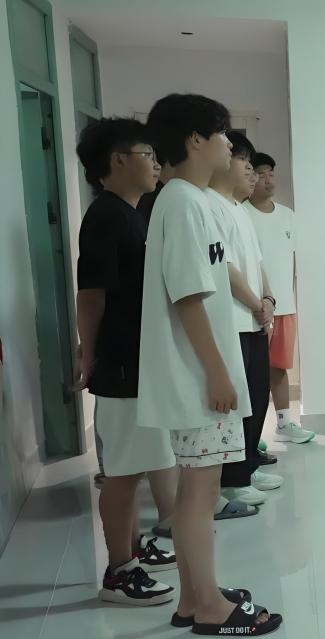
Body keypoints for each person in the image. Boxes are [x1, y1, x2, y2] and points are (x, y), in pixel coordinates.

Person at [138, 93, 282, 636]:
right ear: (195, 140)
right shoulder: (183, 202)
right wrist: (218, 373)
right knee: (201, 494)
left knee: (197, 490)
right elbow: (189, 297)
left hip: (202, 372)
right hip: (200, 377)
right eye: (222, 135)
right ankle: (208, 607)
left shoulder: (189, 200)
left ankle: (195, 597)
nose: (230, 146)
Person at [74, 117, 178, 605]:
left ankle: (134, 550)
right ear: (118, 160)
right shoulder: (106, 217)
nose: (156, 164)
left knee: (136, 465)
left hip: (139, 362)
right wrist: (89, 352)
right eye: (147, 155)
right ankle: (119, 571)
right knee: (122, 473)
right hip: (121, 363)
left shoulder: (131, 213)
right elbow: (91, 293)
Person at [205, 131, 281, 504]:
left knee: (257, 397)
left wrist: (268, 299)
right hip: (233, 321)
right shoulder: (210, 205)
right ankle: (232, 479)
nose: (251, 172)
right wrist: (256, 304)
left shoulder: (239, 209)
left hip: (252, 319)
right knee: (238, 405)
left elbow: (258, 263)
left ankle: (247, 467)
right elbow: (224, 268)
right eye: (244, 163)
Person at [245, 154, 316, 446]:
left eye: (271, 173)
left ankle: (285, 423)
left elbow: (294, 261)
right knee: (253, 372)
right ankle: (251, 433)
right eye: (261, 173)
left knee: (279, 367)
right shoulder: (241, 214)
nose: (268, 180)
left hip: (284, 305)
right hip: (254, 307)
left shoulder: (288, 216)